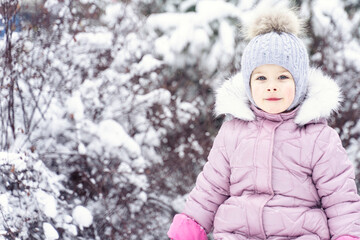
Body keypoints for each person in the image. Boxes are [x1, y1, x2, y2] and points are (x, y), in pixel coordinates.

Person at [167, 6, 360, 240]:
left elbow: (340, 200)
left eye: (282, 77)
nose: (271, 86)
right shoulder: (232, 133)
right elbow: (211, 188)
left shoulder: (318, 137)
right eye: (261, 78)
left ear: (299, 81)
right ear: (248, 83)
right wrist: (191, 225)